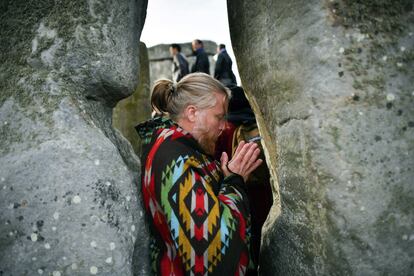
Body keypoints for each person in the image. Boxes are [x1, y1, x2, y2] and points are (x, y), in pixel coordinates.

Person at [135, 73, 263, 275]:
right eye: (219, 117)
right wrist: (234, 181)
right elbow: (213, 254)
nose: (224, 126)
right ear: (192, 113)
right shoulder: (177, 161)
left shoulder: (177, 149)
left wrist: (227, 174)